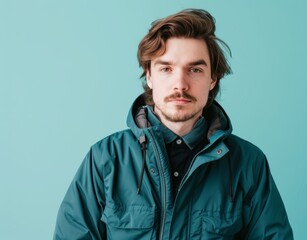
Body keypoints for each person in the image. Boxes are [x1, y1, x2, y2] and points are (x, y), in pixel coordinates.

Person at [54, 9, 293, 240]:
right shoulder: (105, 159)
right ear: (149, 75)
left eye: (195, 69)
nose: (180, 84)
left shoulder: (248, 164)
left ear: (213, 79)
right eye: (166, 68)